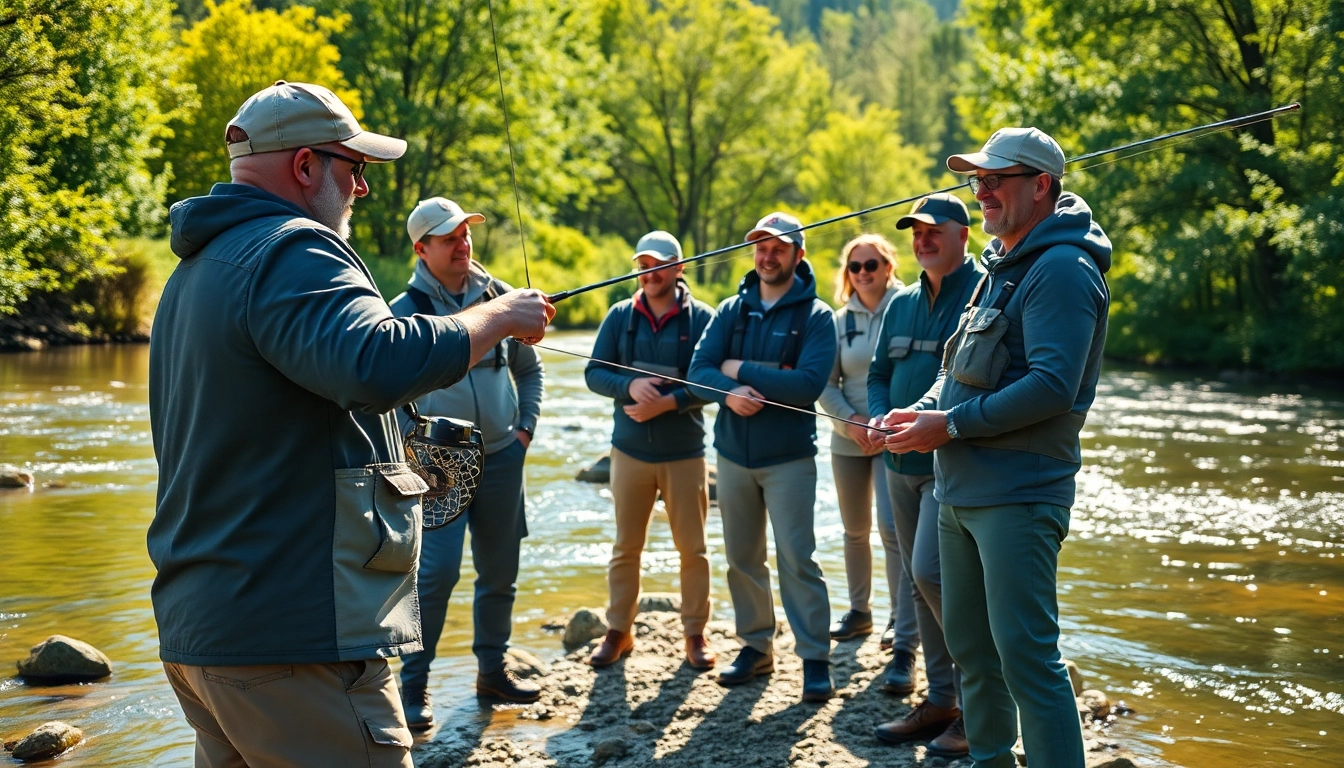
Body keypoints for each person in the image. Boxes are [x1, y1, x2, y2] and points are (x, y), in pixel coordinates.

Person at [148, 81, 553, 768]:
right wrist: (501, 316)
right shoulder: (291, 250)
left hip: (208, 632)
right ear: (306, 167)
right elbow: (373, 360)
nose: (362, 189)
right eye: (354, 167)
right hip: (295, 641)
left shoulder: (194, 272)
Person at [874, 128, 1111, 768]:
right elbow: (956, 378)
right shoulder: (998, 267)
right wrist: (916, 413)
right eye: (976, 181)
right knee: (975, 652)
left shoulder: (1063, 268)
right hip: (958, 493)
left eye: (995, 180)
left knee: (1027, 657)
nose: (981, 193)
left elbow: (1052, 387)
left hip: (1018, 495)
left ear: (1041, 186)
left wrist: (946, 428)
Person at [388, 197, 546, 727]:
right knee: (434, 577)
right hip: (436, 471)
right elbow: (382, 397)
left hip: (504, 456)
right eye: (448, 236)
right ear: (421, 248)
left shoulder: (501, 298)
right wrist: (413, 451)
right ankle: (414, 687)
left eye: (466, 233)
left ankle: (491, 671)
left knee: (501, 571)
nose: (463, 243)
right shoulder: (403, 312)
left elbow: (530, 370)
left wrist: (525, 430)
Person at [687, 212, 837, 702]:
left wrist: (741, 367)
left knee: (797, 558)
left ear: (798, 254)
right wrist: (729, 391)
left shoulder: (816, 316)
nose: (767, 256)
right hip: (732, 456)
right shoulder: (732, 309)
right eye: (760, 247)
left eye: (778, 248)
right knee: (742, 558)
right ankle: (756, 647)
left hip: (790, 458)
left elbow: (808, 385)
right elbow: (698, 371)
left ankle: (815, 659)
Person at [868, 193, 983, 758]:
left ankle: (971, 702)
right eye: (915, 231)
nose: (923, 240)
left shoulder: (985, 290)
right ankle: (940, 701)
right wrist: (873, 415)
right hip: (895, 464)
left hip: (951, 464)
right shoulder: (900, 303)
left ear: (965, 234)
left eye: (934, 231)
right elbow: (877, 373)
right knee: (917, 582)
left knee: (936, 576)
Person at [583, 231, 718, 670]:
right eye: (643, 265)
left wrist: (669, 402)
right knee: (626, 547)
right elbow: (592, 375)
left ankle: (695, 634)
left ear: (679, 268)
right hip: (629, 453)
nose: (649, 273)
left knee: (693, 548)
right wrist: (628, 385)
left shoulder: (703, 318)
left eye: (658, 265)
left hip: (685, 454)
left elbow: (713, 382)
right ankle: (619, 631)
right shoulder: (619, 316)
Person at [816, 235, 914, 651]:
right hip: (848, 437)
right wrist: (851, 422)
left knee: (892, 530)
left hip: (895, 438)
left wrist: (889, 425)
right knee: (854, 530)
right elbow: (825, 384)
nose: (862, 274)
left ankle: (900, 618)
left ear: (888, 266)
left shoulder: (910, 309)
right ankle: (860, 612)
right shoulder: (839, 322)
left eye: (870, 265)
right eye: (854, 267)